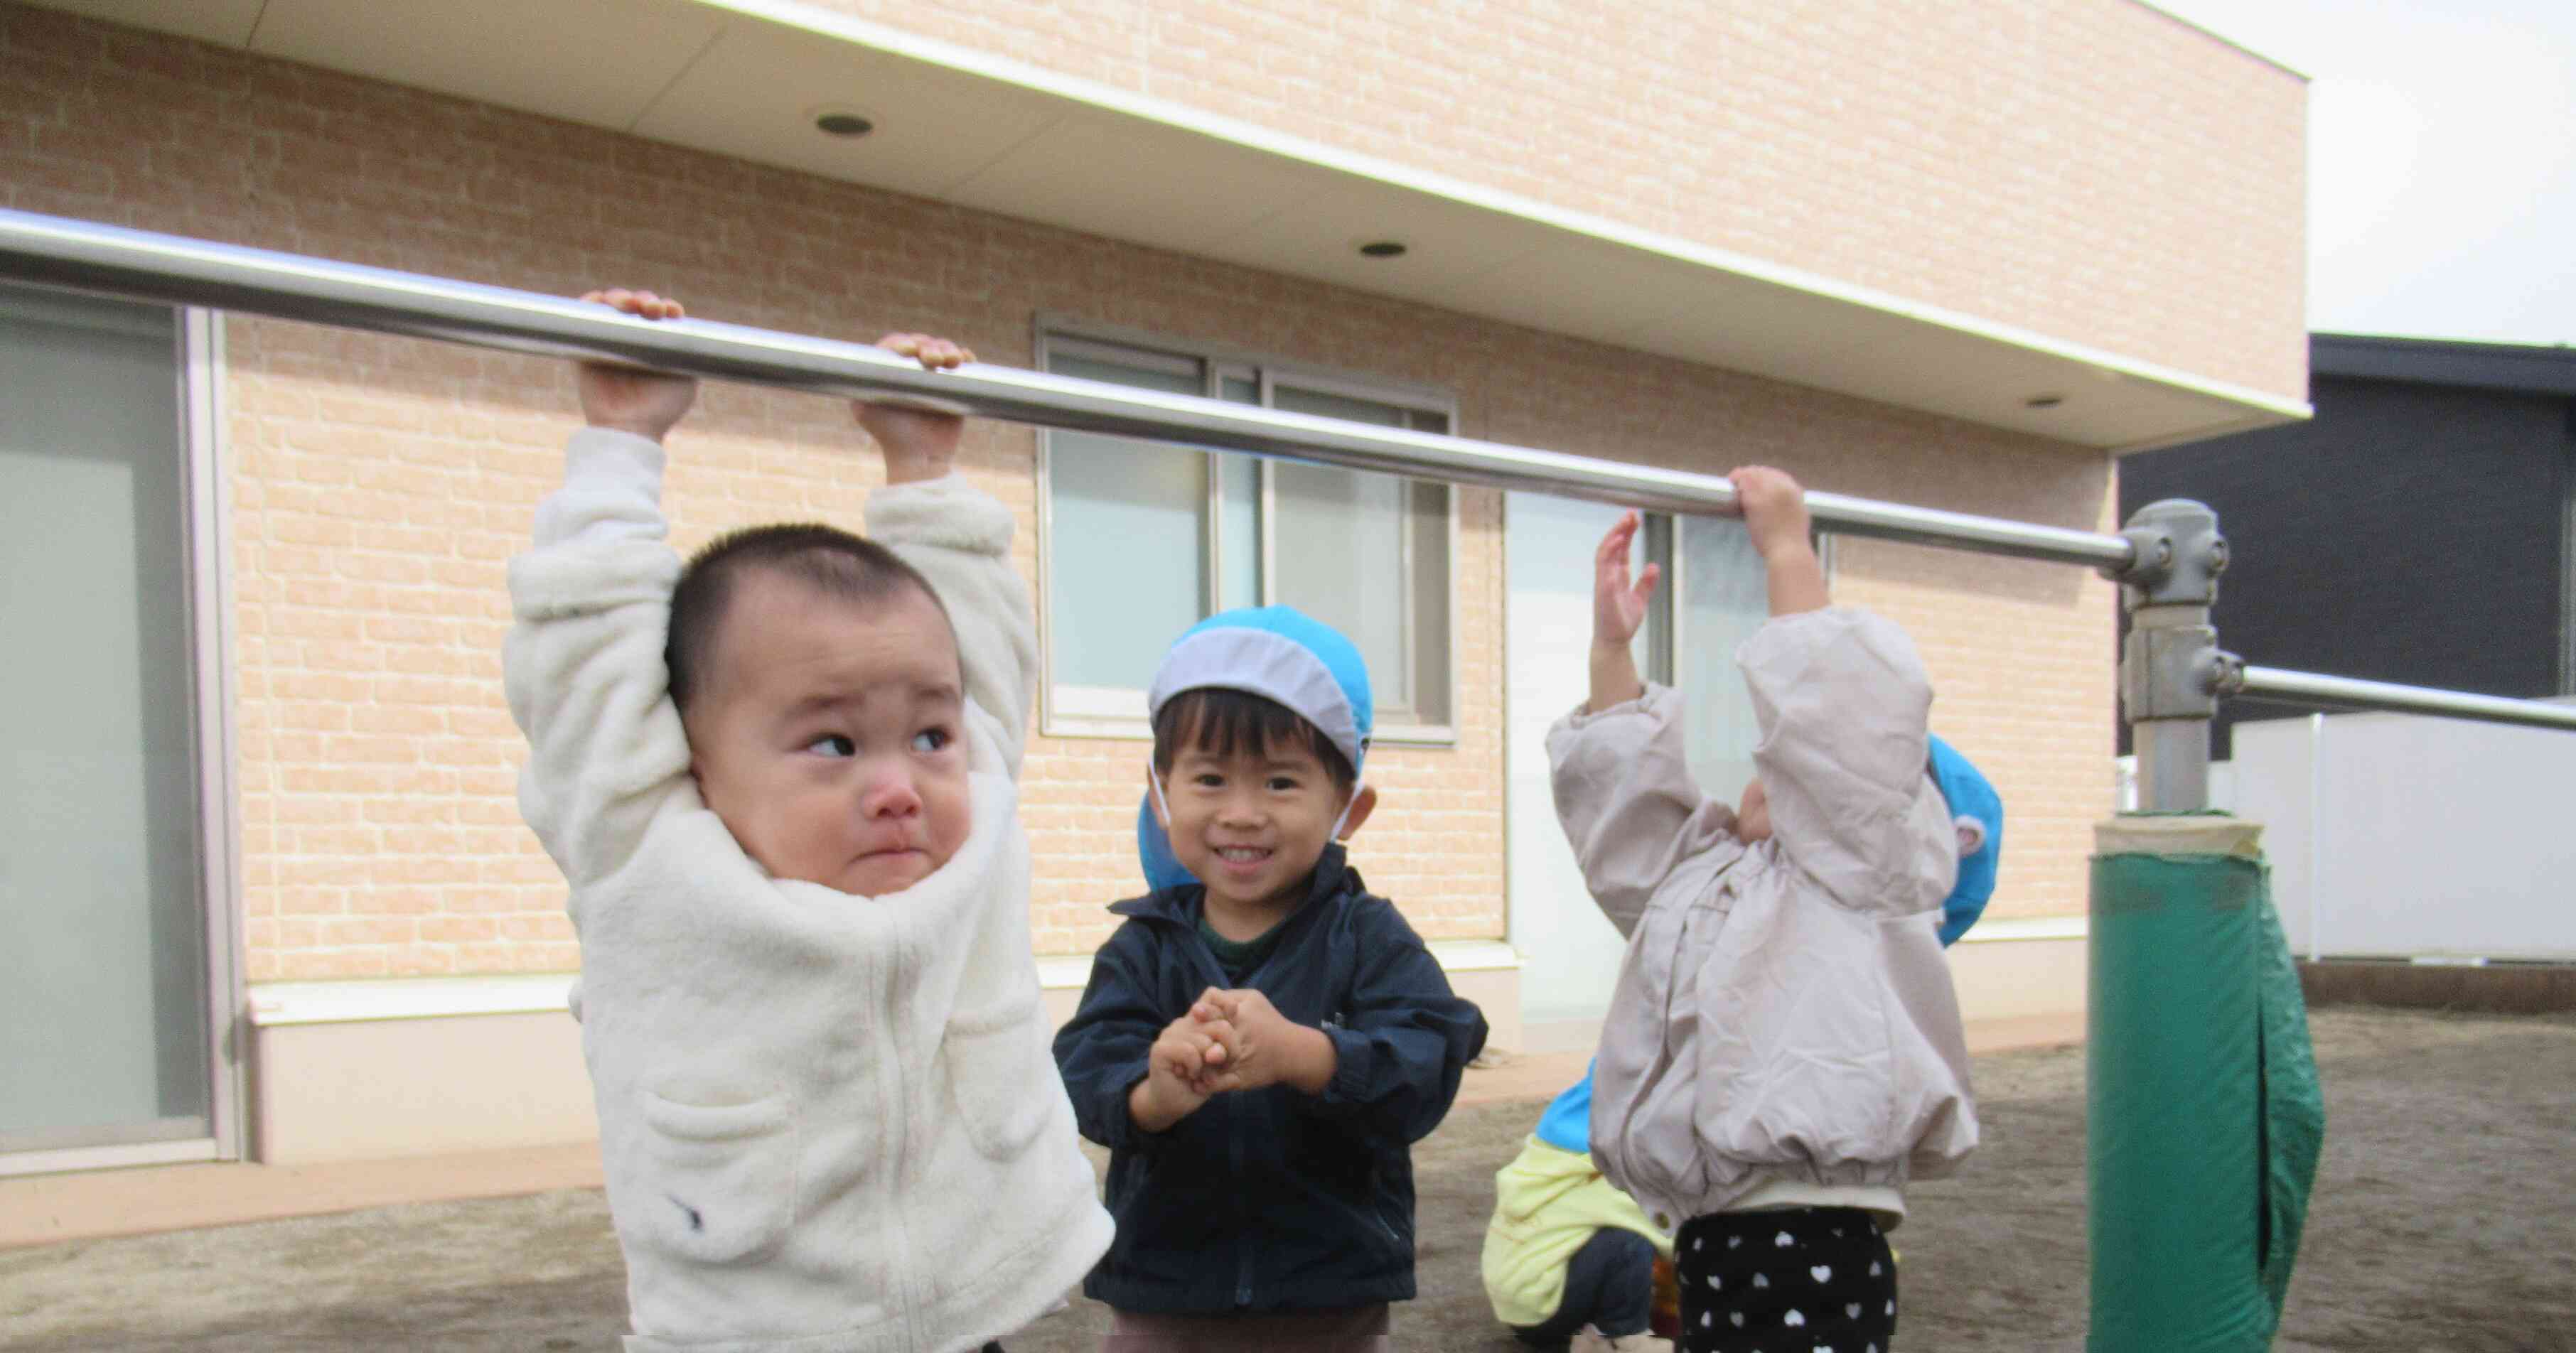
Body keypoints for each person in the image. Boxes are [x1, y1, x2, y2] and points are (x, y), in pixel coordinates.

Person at [503, 288, 1110, 1352]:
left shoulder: (971, 825)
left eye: (929, 735)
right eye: (833, 744)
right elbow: (584, 656)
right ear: (692, 758)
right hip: (763, 1325)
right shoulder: (643, 850)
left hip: (971, 1311)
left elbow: (976, 648)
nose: (899, 785)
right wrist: (620, 443)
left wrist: (925, 466)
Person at [1546, 468, 1984, 1352]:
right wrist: (1611, 652)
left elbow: (1841, 722)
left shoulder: (1855, 878)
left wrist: (1787, 550)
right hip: (1710, 1234)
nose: (1775, 762)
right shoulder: (1714, 886)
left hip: (1814, 1235)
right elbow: (1627, 823)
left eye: (1798, 764)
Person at [1051, 606, 1491, 1352]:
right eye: (1210, 778)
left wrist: (1309, 1055)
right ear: (1162, 794)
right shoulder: (1143, 947)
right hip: (1165, 1292)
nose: (1242, 813)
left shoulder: (1368, 936)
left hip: (1330, 1298)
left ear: (1349, 806)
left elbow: (1429, 1059)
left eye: (1281, 782)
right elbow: (1082, 1070)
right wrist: (1152, 1092)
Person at [1481, 749, 1997, 1353]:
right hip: (1665, 1228)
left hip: (1761, 1234)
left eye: (1816, 775)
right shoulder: (1706, 902)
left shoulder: (1855, 972)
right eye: (1775, 766)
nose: (1777, 784)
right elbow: (1626, 821)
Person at [1481, 1060, 1675, 1353]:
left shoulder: (1552, 1154)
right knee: (1631, 1241)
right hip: (1545, 1309)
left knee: (1601, 1240)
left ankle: (1593, 1329)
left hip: (1523, 1304)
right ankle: (1619, 1336)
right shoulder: (1601, 1172)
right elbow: (1668, 1233)